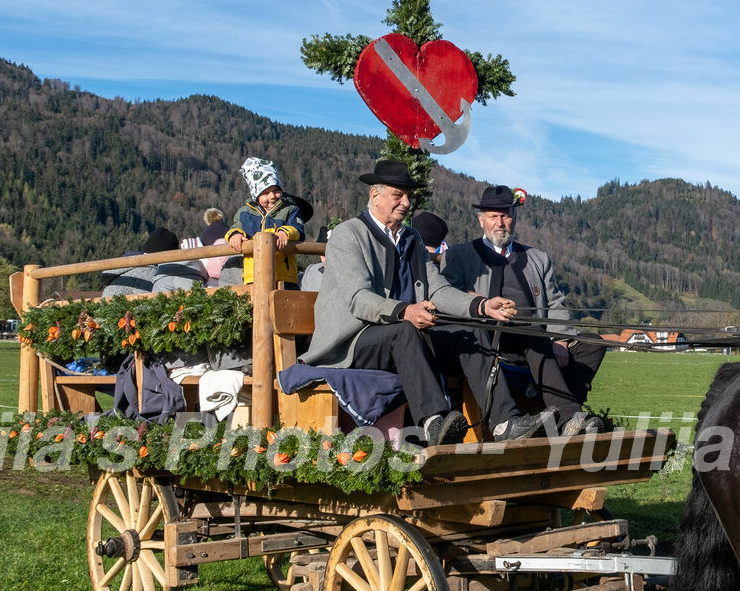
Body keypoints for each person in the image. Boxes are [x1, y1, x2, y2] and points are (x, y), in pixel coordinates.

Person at [301, 159, 537, 444]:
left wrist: (481, 307)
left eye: (409, 196)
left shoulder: (411, 238)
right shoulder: (348, 235)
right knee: (405, 330)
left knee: (471, 331)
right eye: (398, 195)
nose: (406, 203)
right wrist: (405, 311)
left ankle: (504, 423)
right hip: (354, 341)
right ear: (374, 195)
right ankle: (434, 423)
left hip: (407, 333)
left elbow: (437, 290)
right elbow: (359, 299)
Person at [442, 184, 609, 434]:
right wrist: (477, 302)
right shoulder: (460, 256)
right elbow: (447, 296)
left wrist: (561, 340)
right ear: (481, 221)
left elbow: (555, 303)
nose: (500, 223)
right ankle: (568, 417)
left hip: (539, 339)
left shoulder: (537, 258)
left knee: (593, 343)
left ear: (515, 217)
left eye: (506, 215)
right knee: (532, 334)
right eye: (493, 217)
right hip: (491, 340)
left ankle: (549, 407)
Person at [225, 157, 305, 286]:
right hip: (253, 274)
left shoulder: (290, 209)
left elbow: (298, 229)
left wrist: (285, 232)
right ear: (256, 195)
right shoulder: (244, 213)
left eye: (276, 190)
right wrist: (234, 235)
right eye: (265, 193)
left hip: (284, 275)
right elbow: (235, 227)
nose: (272, 196)